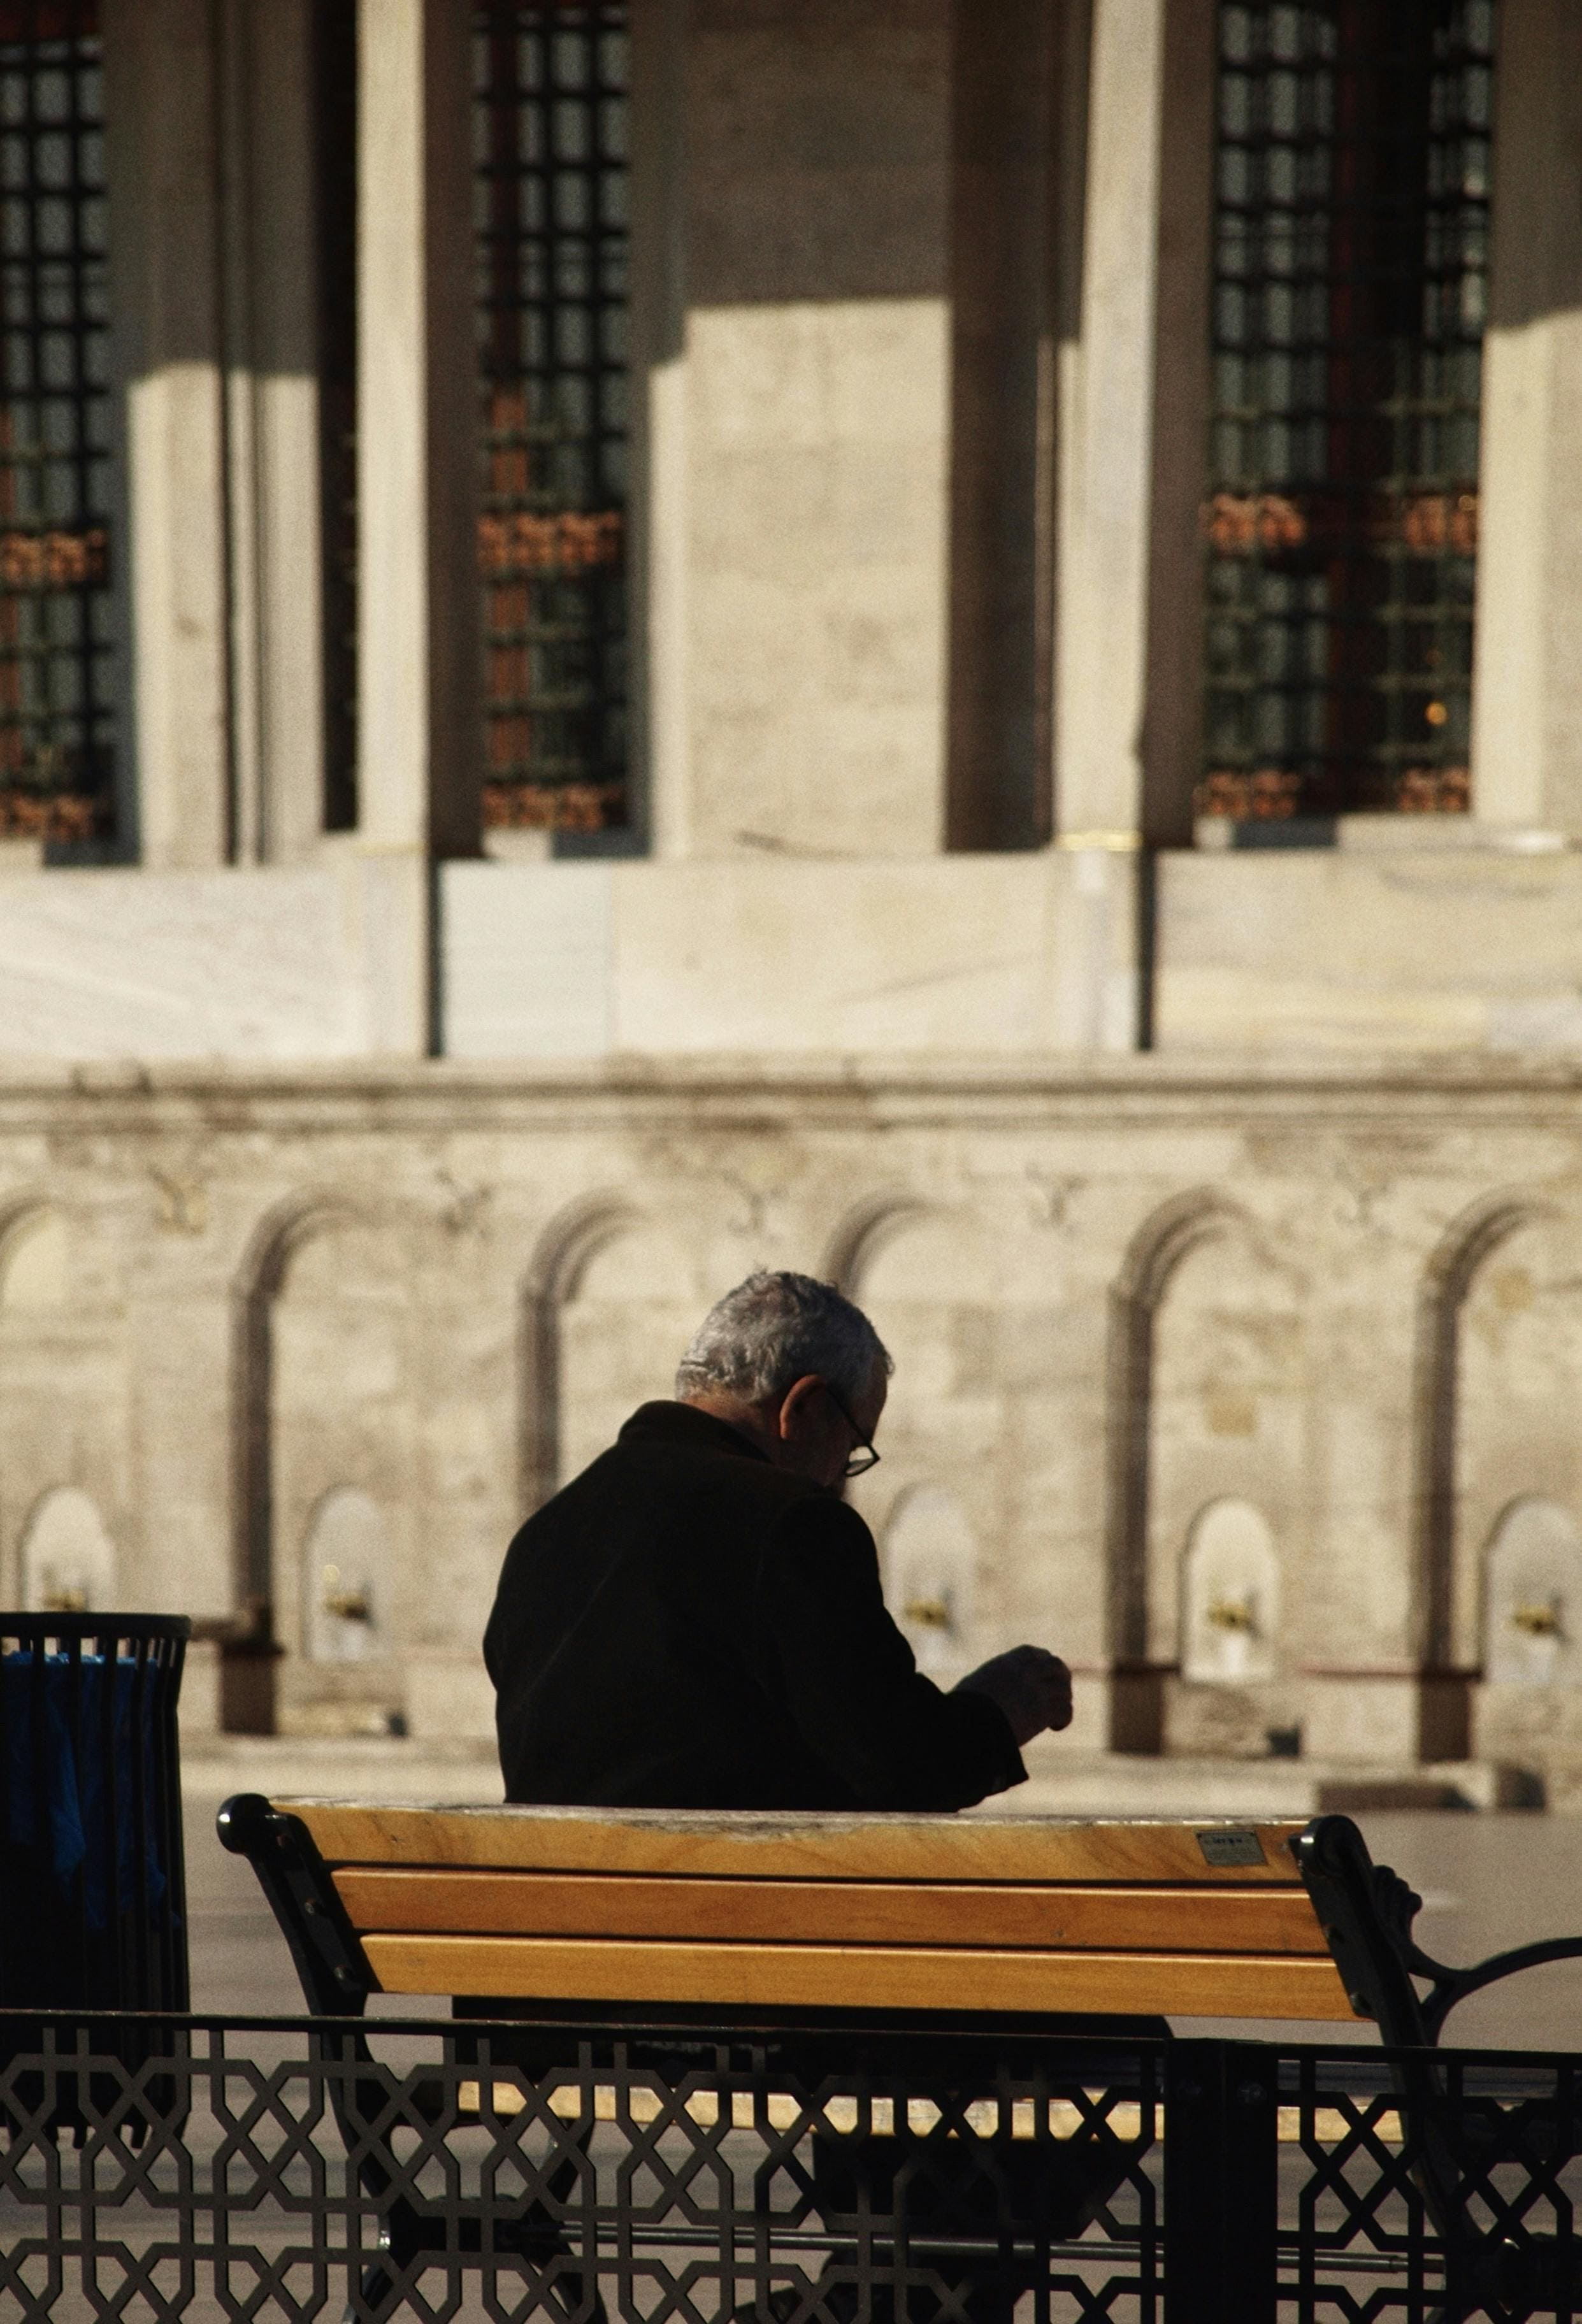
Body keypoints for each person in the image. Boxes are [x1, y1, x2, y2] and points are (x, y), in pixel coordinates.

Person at [484, 1269, 1072, 1810]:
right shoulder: (791, 1525)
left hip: (556, 1915)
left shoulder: (549, 1531)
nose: (840, 1475)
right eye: (851, 1448)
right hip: (726, 1913)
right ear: (805, 1407)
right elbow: (903, 1767)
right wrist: (1000, 1707)